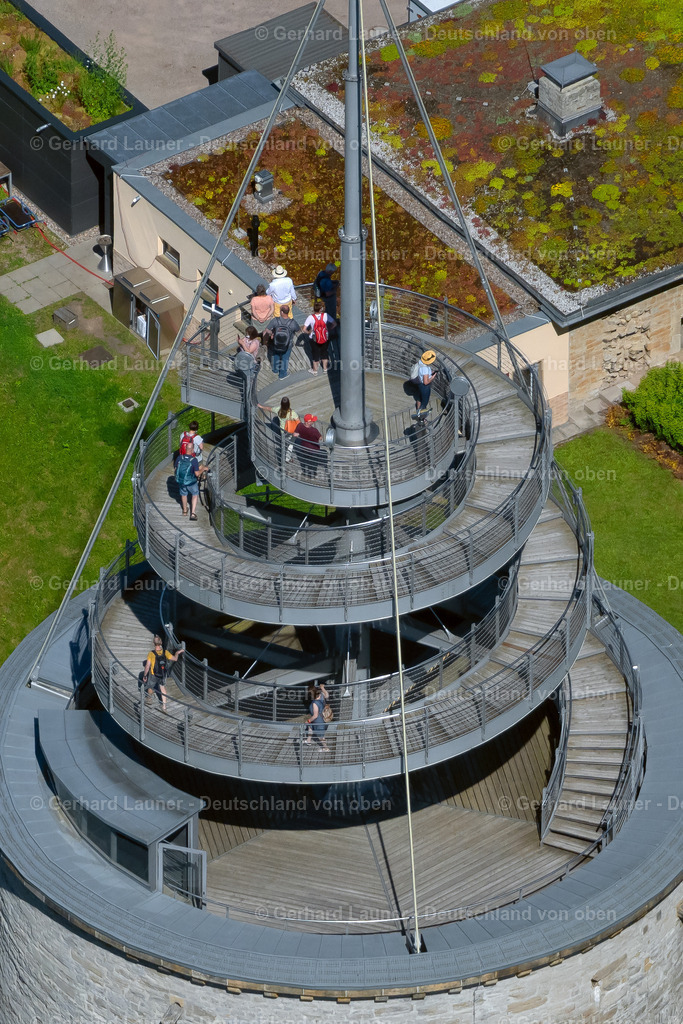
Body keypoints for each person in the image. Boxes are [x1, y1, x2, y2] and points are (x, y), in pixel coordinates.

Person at [142, 635, 184, 712]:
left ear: (153, 643)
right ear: (161, 642)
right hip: (162, 674)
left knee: (150, 686)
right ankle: (164, 707)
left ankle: (149, 699)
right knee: (163, 689)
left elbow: (147, 666)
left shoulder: (151, 653)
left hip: (153, 674)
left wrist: (145, 675)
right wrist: (177, 653)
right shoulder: (165, 652)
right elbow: (175, 659)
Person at [262, 305, 301, 380]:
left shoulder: (275, 320)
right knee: (285, 358)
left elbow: (267, 329)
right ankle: (282, 375)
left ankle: (275, 369)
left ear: (282, 312)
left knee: (276, 355)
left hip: (276, 343)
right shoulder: (293, 322)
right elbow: (298, 330)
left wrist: (272, 334)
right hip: (287, 345)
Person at [175, 439, 206, 520]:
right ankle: (192, 513)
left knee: (183, 494)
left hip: (181, 481)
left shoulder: (179, 457)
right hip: (191, 482)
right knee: (195, 494)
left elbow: (176, 468)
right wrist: (203, 469)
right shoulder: (194, 460)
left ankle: (185, 511)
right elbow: (197, 474)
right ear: (192, 450)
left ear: (186, 449)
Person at [303, 301, 336, 374]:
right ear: (321, 309)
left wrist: (309, 332)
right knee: (324, 352)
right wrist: (328, 329)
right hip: (325, 337)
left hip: (314, 338)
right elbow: (334, 323)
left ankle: (315, 371)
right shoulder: (325, 315)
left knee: (315, 354)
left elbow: (304, 329)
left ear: (314, 309)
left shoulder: (310, 317)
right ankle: (325, 369)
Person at [305, 682, 330, 750]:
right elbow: (327, 695)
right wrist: (322, 688)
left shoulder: (314, 703)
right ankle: (308, 740)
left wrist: (309, 720)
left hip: (318, 720)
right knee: (310, 727)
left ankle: (326, 748)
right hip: (322, 717)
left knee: (321, 736)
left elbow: (315, 715)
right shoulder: (321, 695)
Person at [415, 349, 437, 415]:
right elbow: (426, 382)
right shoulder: (425, 369)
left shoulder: (420, 363)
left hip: (418, 383)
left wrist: (430, 373)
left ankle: (418, 410)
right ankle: (421, 416)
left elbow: (422, 374)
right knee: (424, 402)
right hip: (424, 387)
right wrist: (433, 377)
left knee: (419, 398)